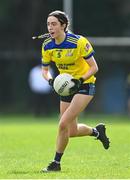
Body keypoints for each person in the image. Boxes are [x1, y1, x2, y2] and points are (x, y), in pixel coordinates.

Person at [41, 10, 110, 172]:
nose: (50, 27)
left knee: (63, 123)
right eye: (48, 24)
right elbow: (44, 71)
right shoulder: (47, 45)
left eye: (54, 24)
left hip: (84, 85)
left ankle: (56, 163)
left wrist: (79, 80)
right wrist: (51, 80)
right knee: (70, 131)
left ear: (63, 26)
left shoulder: (78, 42)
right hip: (66, 89)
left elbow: (94, 67)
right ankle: (96, 132)